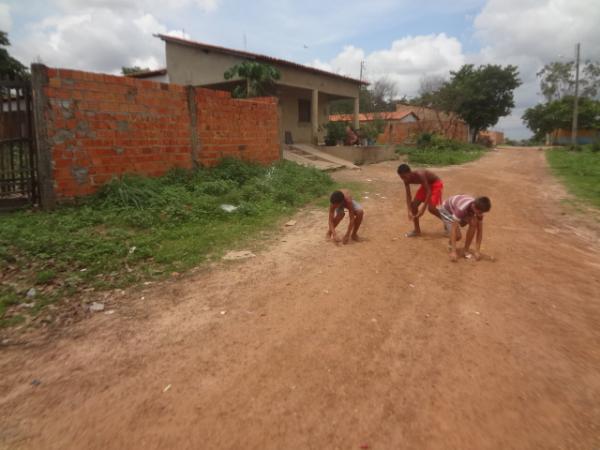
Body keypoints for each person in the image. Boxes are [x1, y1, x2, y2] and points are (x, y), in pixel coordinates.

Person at [437, 195, 492, 262]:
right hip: (447, 210)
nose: (481, 214)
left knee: (474, 222)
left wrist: (477, 251)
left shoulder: (478, 209)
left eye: (482, 212)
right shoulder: (462, 209)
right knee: (457, 236)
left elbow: (480, 230)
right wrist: (453, 252)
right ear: (474, 207)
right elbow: (453, 228)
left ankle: (466, 250)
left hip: (460, 210)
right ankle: (450, 244)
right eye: (480, 212)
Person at [397, 164, 445, 237]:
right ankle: (417, 230)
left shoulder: (420, 174)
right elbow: (408, 196)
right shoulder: (406, 180)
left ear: (410, 172)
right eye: (401, 178)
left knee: (431, 209)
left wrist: (422, 209)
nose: (404, 179)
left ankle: (448, 222)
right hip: (425, 186)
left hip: (435, 184)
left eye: (404, 177)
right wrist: (409, 211)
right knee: (413, 206)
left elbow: (428, 192)